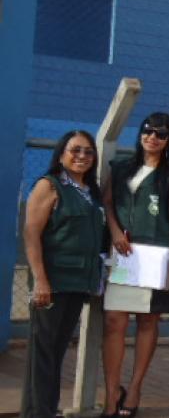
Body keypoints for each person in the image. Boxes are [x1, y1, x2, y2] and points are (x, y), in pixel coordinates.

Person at [102, 113, 169, 418]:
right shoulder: (122, 167)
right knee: (114, 320)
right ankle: (112, 393)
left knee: (148, 322)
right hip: (125, 256)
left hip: (157, 257)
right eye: (147, 130)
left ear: (168, 141)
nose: (152, 137)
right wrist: (113, 232)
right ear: (140, 134)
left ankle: (134, 389)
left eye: (160, 134)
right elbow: (108, 204)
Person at [21, 130, 106, 418]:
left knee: (54, 354)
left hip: (78, 283)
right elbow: (32, 233)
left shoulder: (90, 192)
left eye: (88, 152)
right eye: (75, 150)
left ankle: (38, 411)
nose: (82, 156)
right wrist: (41, 280)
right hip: (53, 282)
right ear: (61, 153)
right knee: (43, 354)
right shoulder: (49, 185)